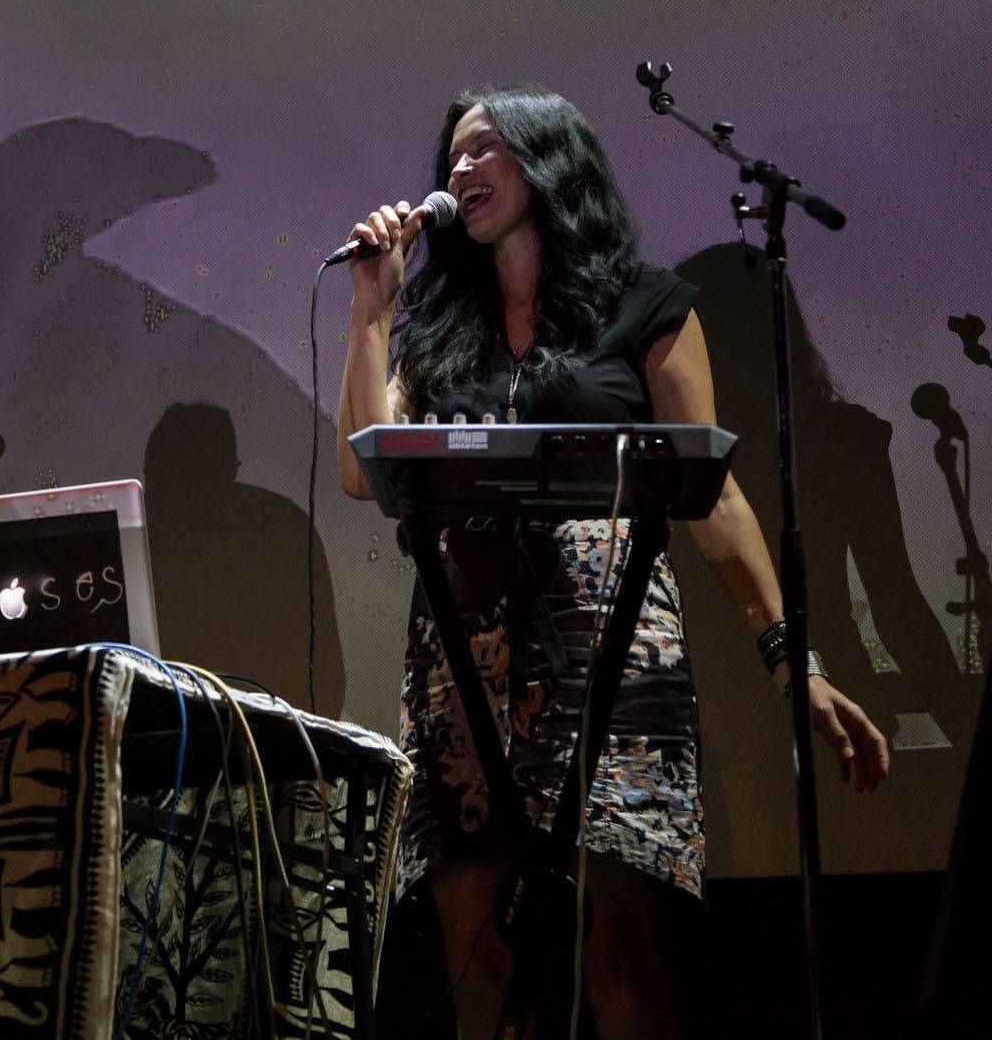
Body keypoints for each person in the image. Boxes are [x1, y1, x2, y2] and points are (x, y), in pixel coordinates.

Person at [336, 87, 889, 1038]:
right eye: (453, 159)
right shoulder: (427, 328)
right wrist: (369, 311)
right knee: (485, 969)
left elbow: (709, 490)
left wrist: (790, 659)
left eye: (487, 150)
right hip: (464, 676)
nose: (460, 171)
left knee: (621, 954)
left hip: (610, 658)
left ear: (552, 160)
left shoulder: (646, 306)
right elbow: (359, 469)